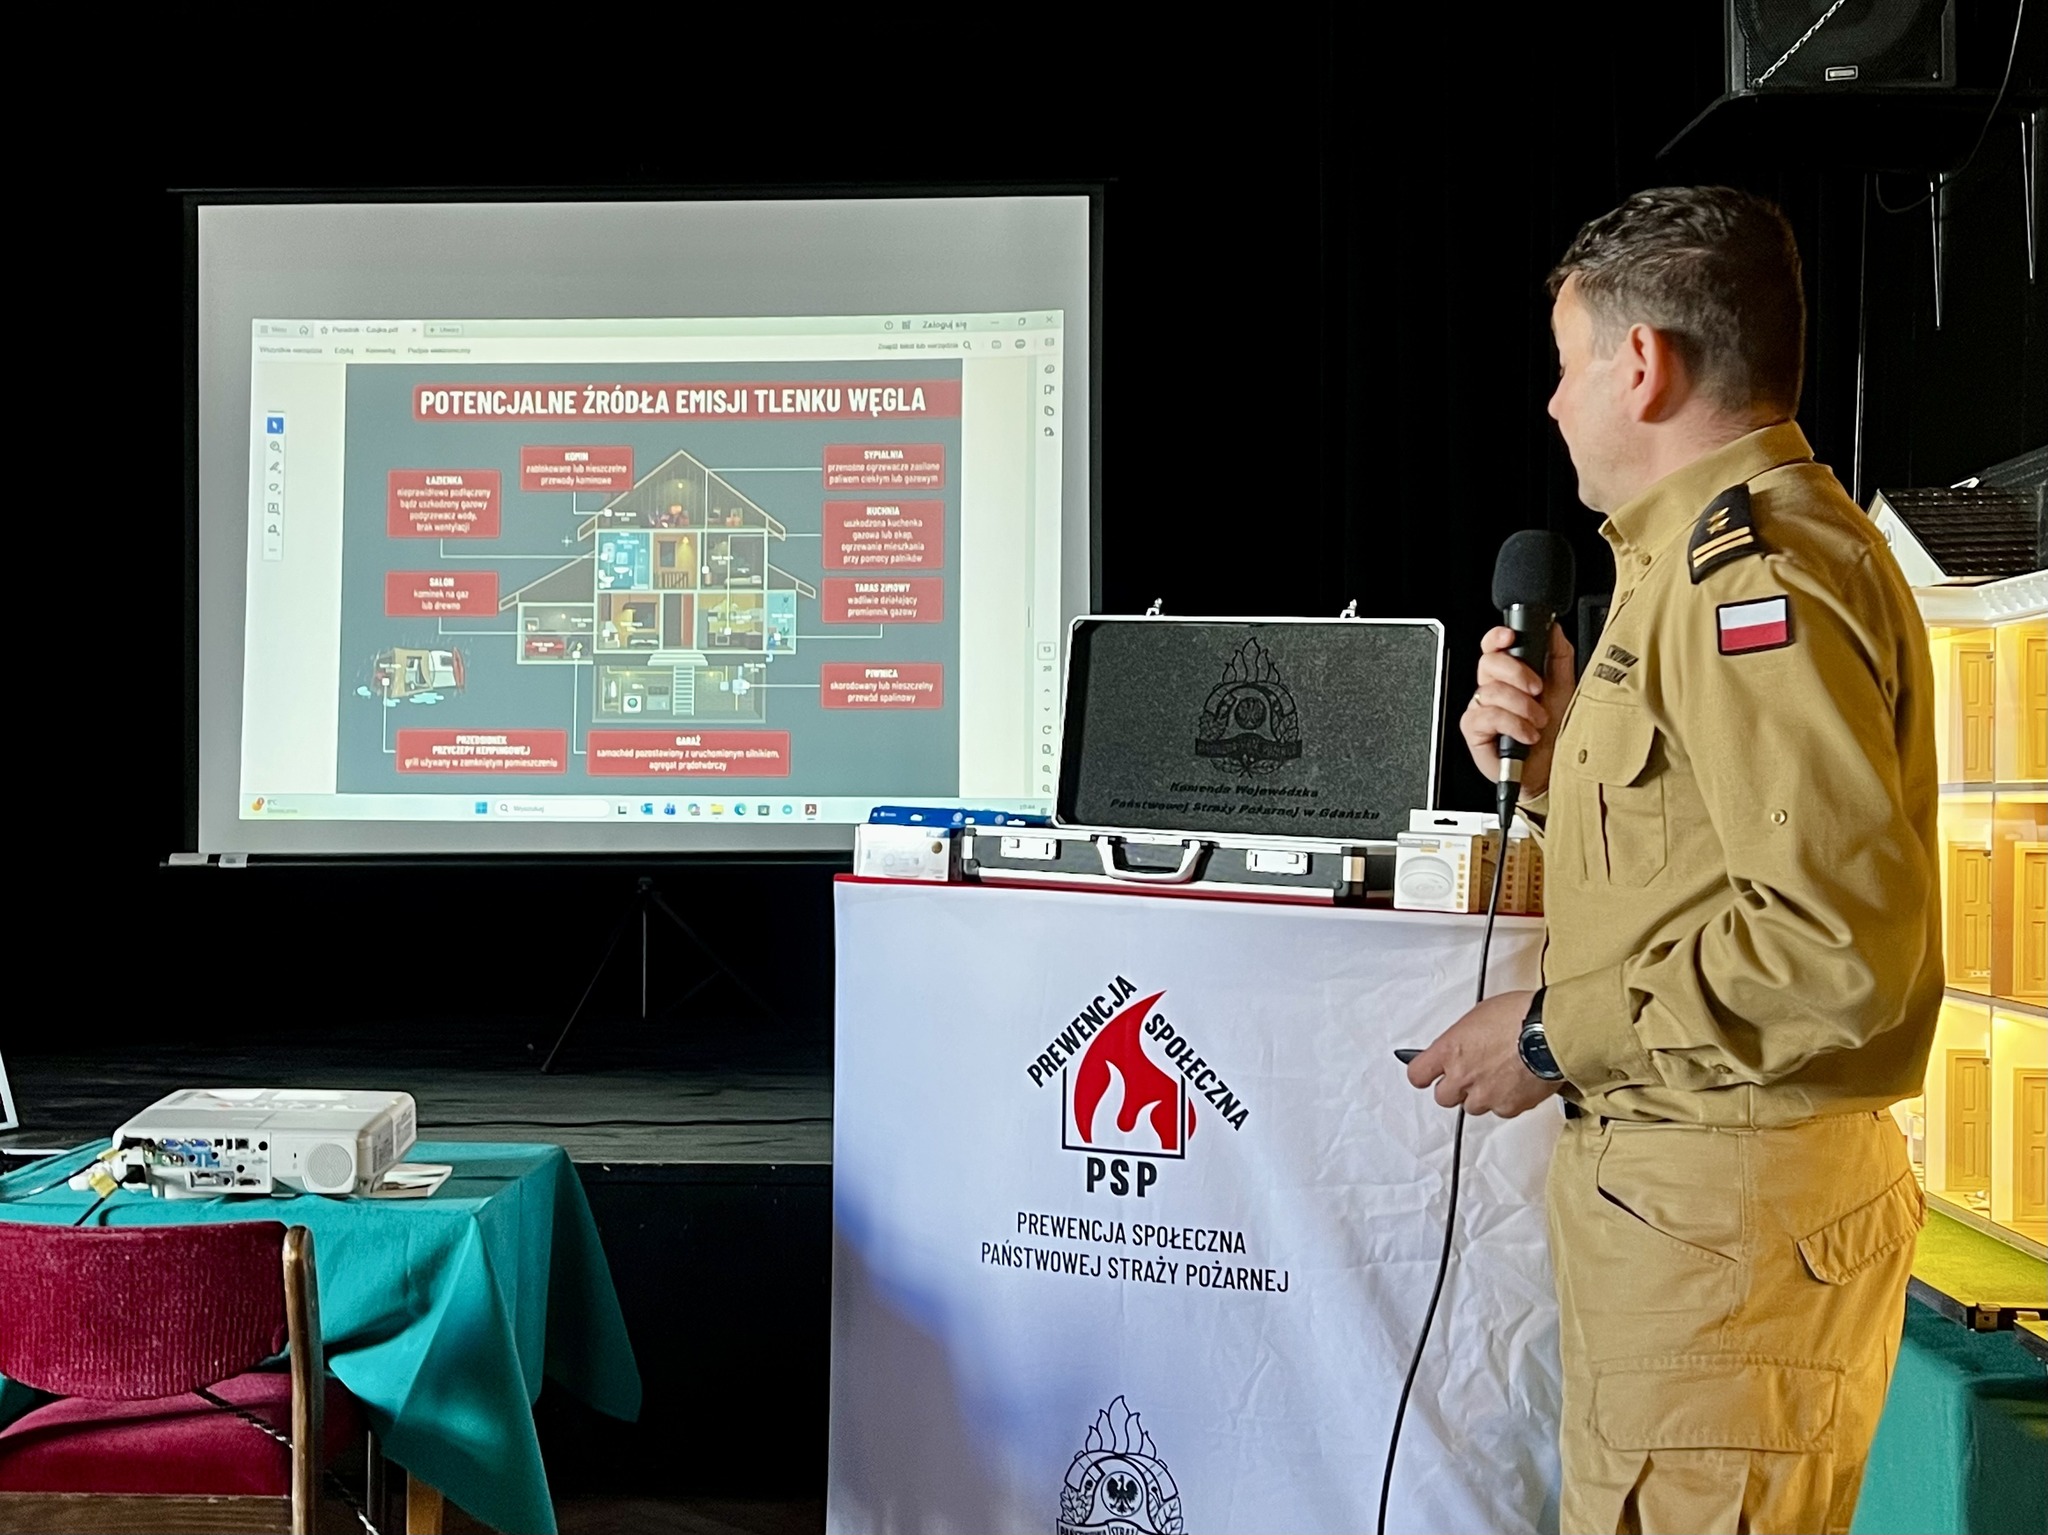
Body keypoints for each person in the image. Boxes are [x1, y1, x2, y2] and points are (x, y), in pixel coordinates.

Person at [1406, 186, 1941, 1535]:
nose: (1553, 405)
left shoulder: (1746, 581)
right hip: (1701, 1232)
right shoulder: (1699, 564)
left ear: (1640, 365)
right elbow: (1696, 863)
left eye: (1566, 365)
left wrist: (1547, 1036)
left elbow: (1831, 953)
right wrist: (1554, 756)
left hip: (1727, 1234)